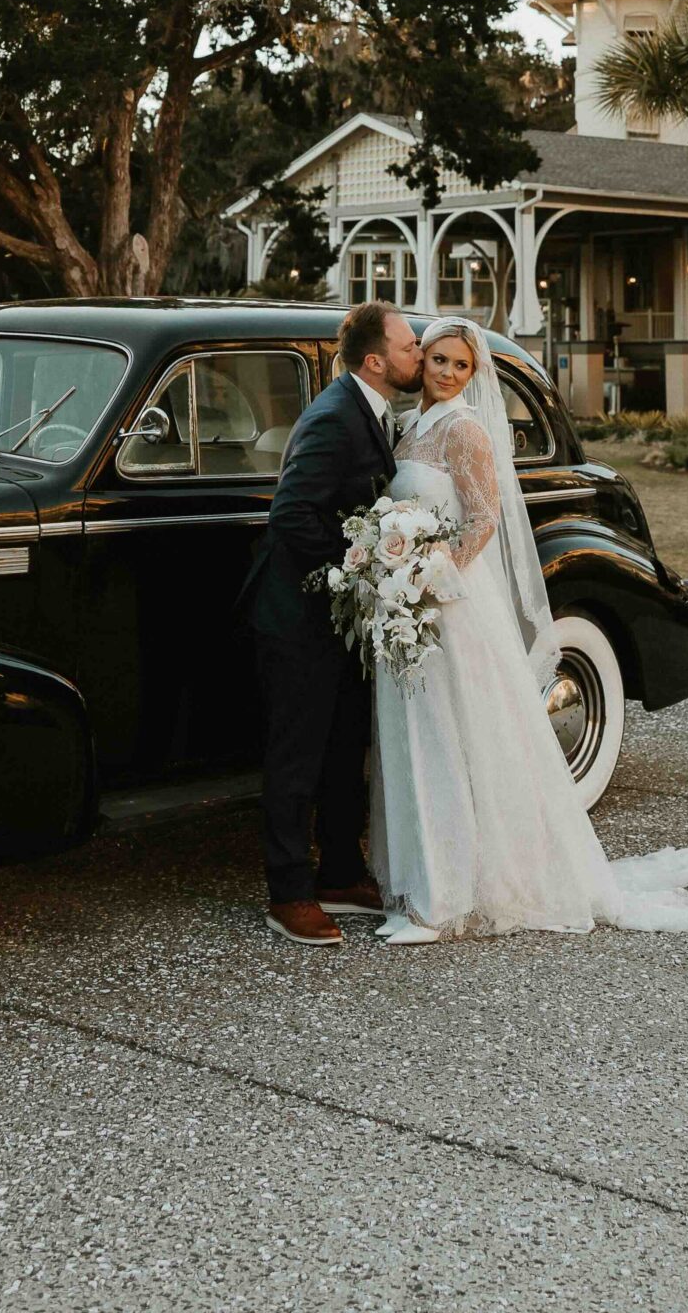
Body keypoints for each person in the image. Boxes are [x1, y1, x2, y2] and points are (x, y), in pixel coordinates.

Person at [368, 316, 688, 944]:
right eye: (437, 360)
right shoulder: (409, 425)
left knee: (452, 735)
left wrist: (432, 574)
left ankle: (442, 901)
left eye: (459, 365)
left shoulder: (464, 429)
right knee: (415, 735)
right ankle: (419, 880)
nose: (445, 373)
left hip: (448, 602)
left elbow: (484, 518)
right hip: (407, 600)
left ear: (473, 374)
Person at [239, 301, 422, 944]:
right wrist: (362, 564)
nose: (418, 356)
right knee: (297, 755)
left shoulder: (371, 412)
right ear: (376, 361)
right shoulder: (332, 417)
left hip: (342, 619)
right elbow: (291, 516)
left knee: (347, 746)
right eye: (408, 348)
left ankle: (341, 869)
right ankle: (288, 891)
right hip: (297, 618)